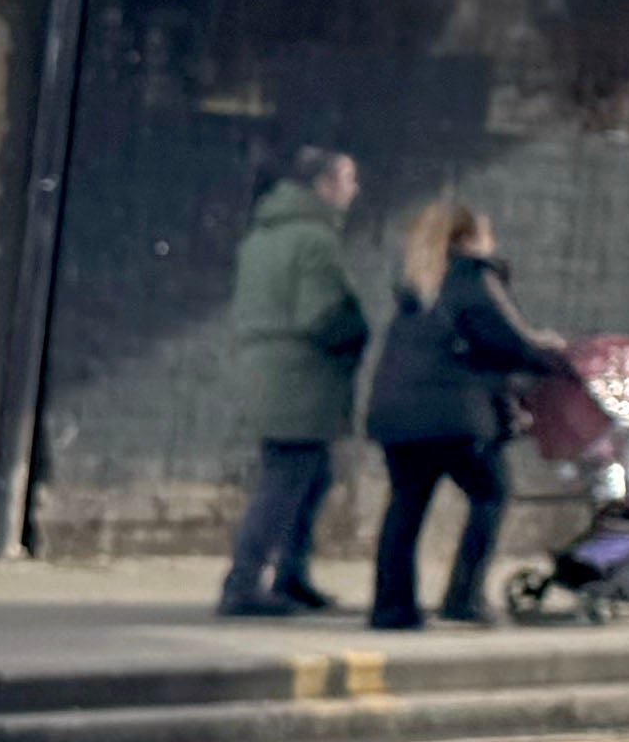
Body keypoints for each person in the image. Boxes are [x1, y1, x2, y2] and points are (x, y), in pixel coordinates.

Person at [362, 200, 563, 632]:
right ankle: (463, 597)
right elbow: (511, 341)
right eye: (487, 233)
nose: (493, 242)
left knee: (406, 505)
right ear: (470, 239)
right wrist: (552, 354)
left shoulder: (418, 282)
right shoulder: (474, 278)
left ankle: (391, 608)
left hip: (397, 414)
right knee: (491, 494)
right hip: (454, 417)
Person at [220, 145, 369, 617]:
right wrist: (357, 329)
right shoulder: (314, 239)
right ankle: (245, 581)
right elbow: (320, 315)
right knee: (286, 482)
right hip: (301, 379)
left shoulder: (263, 235)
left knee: (307, 476)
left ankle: (291, 575)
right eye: (348, 179)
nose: (354, 189)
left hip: (268, 372)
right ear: (322, 186)